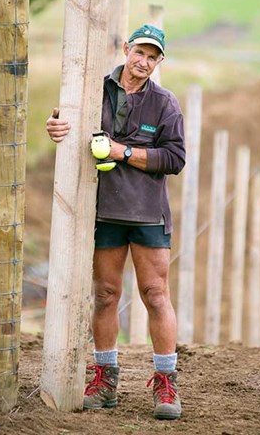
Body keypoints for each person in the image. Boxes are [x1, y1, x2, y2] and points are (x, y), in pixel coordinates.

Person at [45, 24, 186, 420]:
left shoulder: (165, 104)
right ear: (127, 49)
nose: (143, 62)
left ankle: (166, 383)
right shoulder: (94, 88)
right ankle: (105, 380)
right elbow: (65, 118)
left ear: (159, 63)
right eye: (139, 52)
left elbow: (174, 159)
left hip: (146, 212)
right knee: (106, 294)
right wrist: (55, 124)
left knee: (155, 294)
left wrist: (123, 152)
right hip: (103, 209)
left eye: (152, 57)